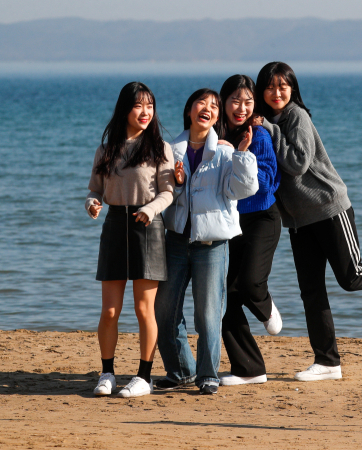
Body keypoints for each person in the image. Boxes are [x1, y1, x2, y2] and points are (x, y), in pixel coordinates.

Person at [256, 62, 362, 382]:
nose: (276, 92)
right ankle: (328, 361)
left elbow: (297, 163)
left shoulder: (295, 117)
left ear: (292, 89)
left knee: (352, 276)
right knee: (311, 291)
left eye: (282, 86)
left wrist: (269, 129)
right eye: (269, 87)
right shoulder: (268, 121)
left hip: (328, 209)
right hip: (299, 221)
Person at [154, 88, 258, 395]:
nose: (209, 108)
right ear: (189, 110)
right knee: (165, 310)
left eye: (214, 105)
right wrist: (175, 181)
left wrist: (242, 154)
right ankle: (181, 371)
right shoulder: (169, 150)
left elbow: (244, 189)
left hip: (212, 245)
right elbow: (161, 192)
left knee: (208, 313)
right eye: (203, 102)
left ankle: (207, 374)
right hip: (174, 240)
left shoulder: (226, 152)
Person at [86, 81, 174, 398]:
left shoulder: (161, 148)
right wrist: (92, 203)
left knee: (143, 309)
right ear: (126, 109)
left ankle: (143, 376)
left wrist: (150, 210)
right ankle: (107, 372)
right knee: (110, 311)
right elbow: (95, 189)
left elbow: (167, 192)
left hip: (147, 228)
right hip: (114, 225)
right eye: (139, 106)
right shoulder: (106, 149)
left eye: (150, 106)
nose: (145, 112)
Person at [218, 75, 282, 386]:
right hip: (230, 225)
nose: (241, 108)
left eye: (248, 101)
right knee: (224, 297)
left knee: (250, 283)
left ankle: (265, 304)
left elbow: (268, 183)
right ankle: (250, 369)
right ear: (223, 102)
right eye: (235, 101)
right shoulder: (215, 134)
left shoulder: (258, 135)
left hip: (262, 219)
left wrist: (239, 155)